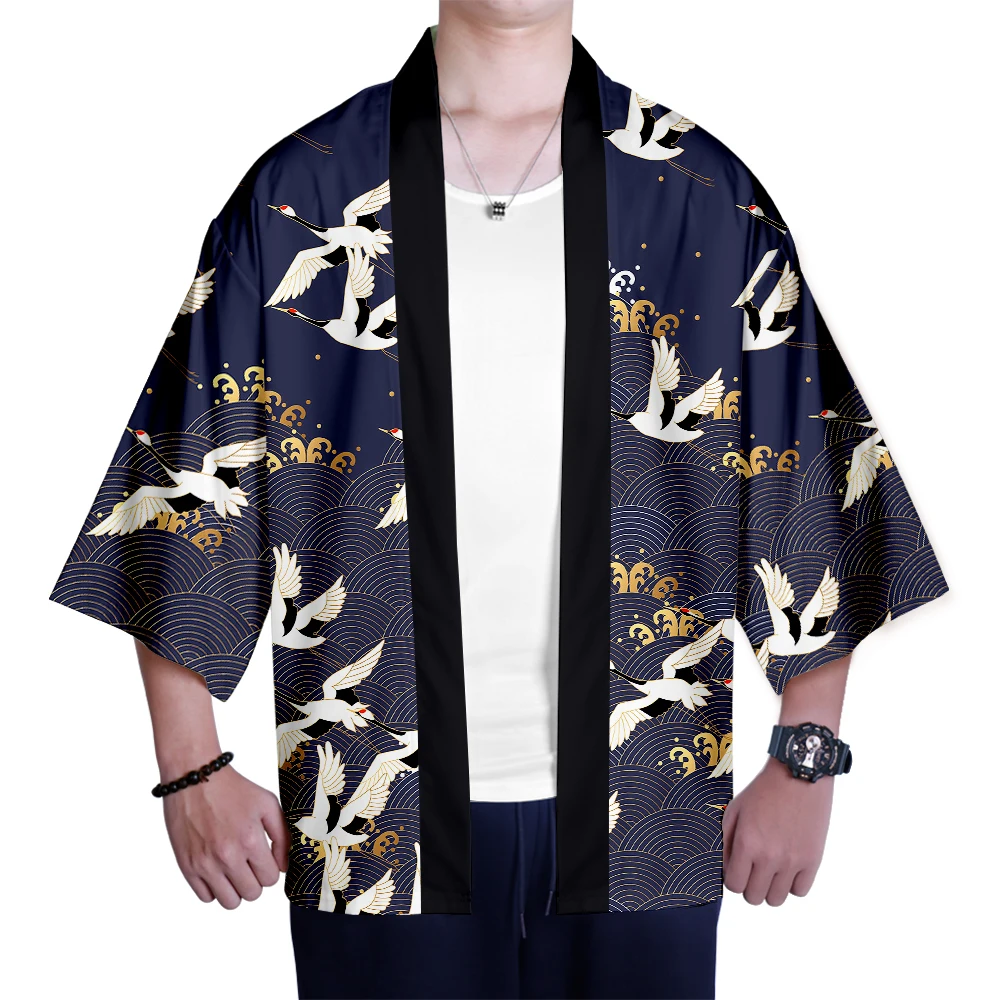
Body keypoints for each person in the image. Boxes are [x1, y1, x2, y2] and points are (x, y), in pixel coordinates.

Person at [49, 2, 948, 998]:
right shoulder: (302, 191)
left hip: (647, 812)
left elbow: (807, 476)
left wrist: (804, 757)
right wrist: (190, 767)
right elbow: (183, 490)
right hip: (375, 827)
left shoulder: (701, 194)